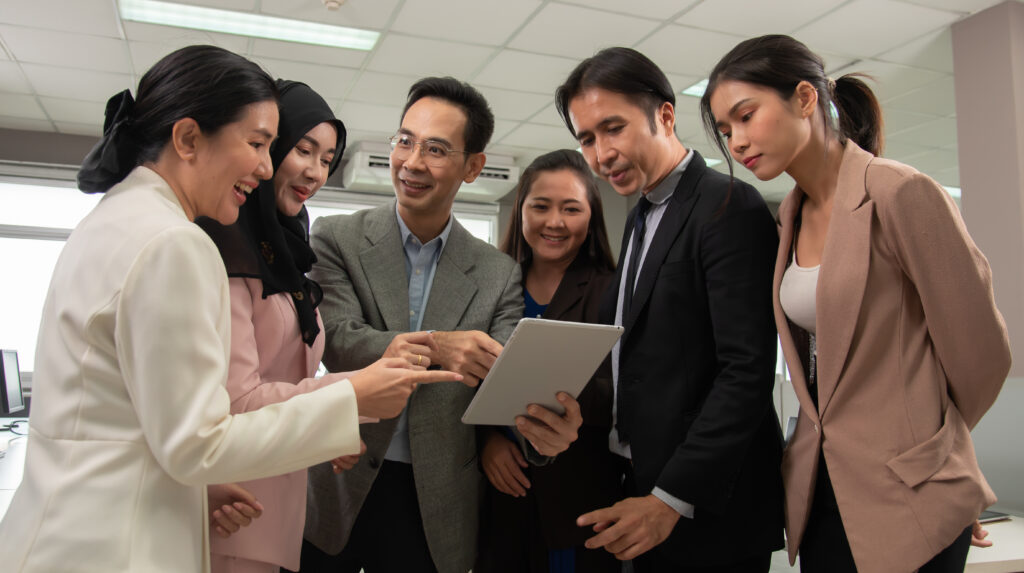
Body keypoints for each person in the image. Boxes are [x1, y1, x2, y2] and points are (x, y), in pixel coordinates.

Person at [0, 46, 462, 573]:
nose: (267, 166)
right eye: (259, 143)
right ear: (189, 138)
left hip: (66, 531)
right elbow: (198, 442)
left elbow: (131, 418)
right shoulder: (176, 243)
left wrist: (193, 489)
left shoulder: (115, 217)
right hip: (117, 545)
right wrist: (351, 393)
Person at [703, 34, 1011, 573]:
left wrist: (937, 459)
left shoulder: (899, 193)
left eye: (746, 116)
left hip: (909, 488)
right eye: (726, 131)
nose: (738, 141)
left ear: (804, 99)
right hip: (823, 487)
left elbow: (981, 354)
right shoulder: (789, 217)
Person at [298, 77, 583, 573]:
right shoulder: (336, 237)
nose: (411, 162)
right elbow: (339, 343)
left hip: (437, 502)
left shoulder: (497, 273)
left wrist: (537, 437)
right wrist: (436, 347)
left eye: (435, 149)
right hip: (338, 483)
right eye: (404, 140)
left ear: (473, 166)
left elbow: (504, 387)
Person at [555, 47, 784, 572]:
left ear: (664, 114)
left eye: (613, 128)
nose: (599, 154)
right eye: (586, 138)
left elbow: (745, 371)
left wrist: (670, 498)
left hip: (706, 507)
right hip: (642, 494)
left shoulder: (729, 205)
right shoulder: (639, 216)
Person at [195, 79, 359, 573]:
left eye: (328, 158)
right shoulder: (226, 249)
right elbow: (238, 402)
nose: (315, 170)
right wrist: (355, 395)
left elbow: (284, 378)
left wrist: (325, 433)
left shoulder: (283, 252)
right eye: (302, 149)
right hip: (229, 510)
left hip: (277, 512)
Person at [475, 149, 625, 573]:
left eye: (571, 209)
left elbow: (626, 387)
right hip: (501, 495)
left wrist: (559, 398)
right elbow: (465, 384)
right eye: (540, 206)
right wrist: (487, 440)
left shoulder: (611, 290)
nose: (554, 222)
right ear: (520, 210)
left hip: (577, 497)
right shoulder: (492, 284)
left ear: (591, 217)